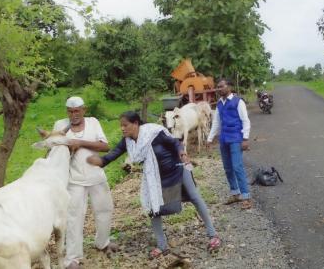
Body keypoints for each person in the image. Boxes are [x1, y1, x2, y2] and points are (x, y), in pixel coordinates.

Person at [87, 111, 221, 258]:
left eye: (125, 125)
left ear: (136, 124)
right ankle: (162, 245)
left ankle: (213, 235)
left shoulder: (154, 133)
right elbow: (110, 156)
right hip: (155, 178)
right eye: (121, 126)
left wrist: (182, 153)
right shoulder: (127, 141)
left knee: (194, 197)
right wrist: (98, 161)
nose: (122, 129)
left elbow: (175, 142)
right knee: (153, 208)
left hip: (177, 167)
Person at [54, 96, 117, 269]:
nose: (73, 114)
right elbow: (53, 149)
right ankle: (73, 258)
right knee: (74, 217)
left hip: (96, 176)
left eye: (77, 111)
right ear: (66, 111)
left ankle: (103, 243)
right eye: (70, 111)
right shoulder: (60, 125)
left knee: (104, 209)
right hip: (74, 180)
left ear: (84, 110)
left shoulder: (93, 122)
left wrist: (80, 143)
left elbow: (105, 146)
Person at [207, 79, 252, 210]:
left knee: (237, 167)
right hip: (224, 139)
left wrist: (245, 139)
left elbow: (246, 121)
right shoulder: (220, 104)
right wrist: (210, 139)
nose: (219, 89)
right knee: (227, 168)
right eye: (218, 87)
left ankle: (246, 197)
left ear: (229, 87)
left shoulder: (238, 102)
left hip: (236, 139)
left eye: (221, 86)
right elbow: (216, 123)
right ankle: (235, 193)